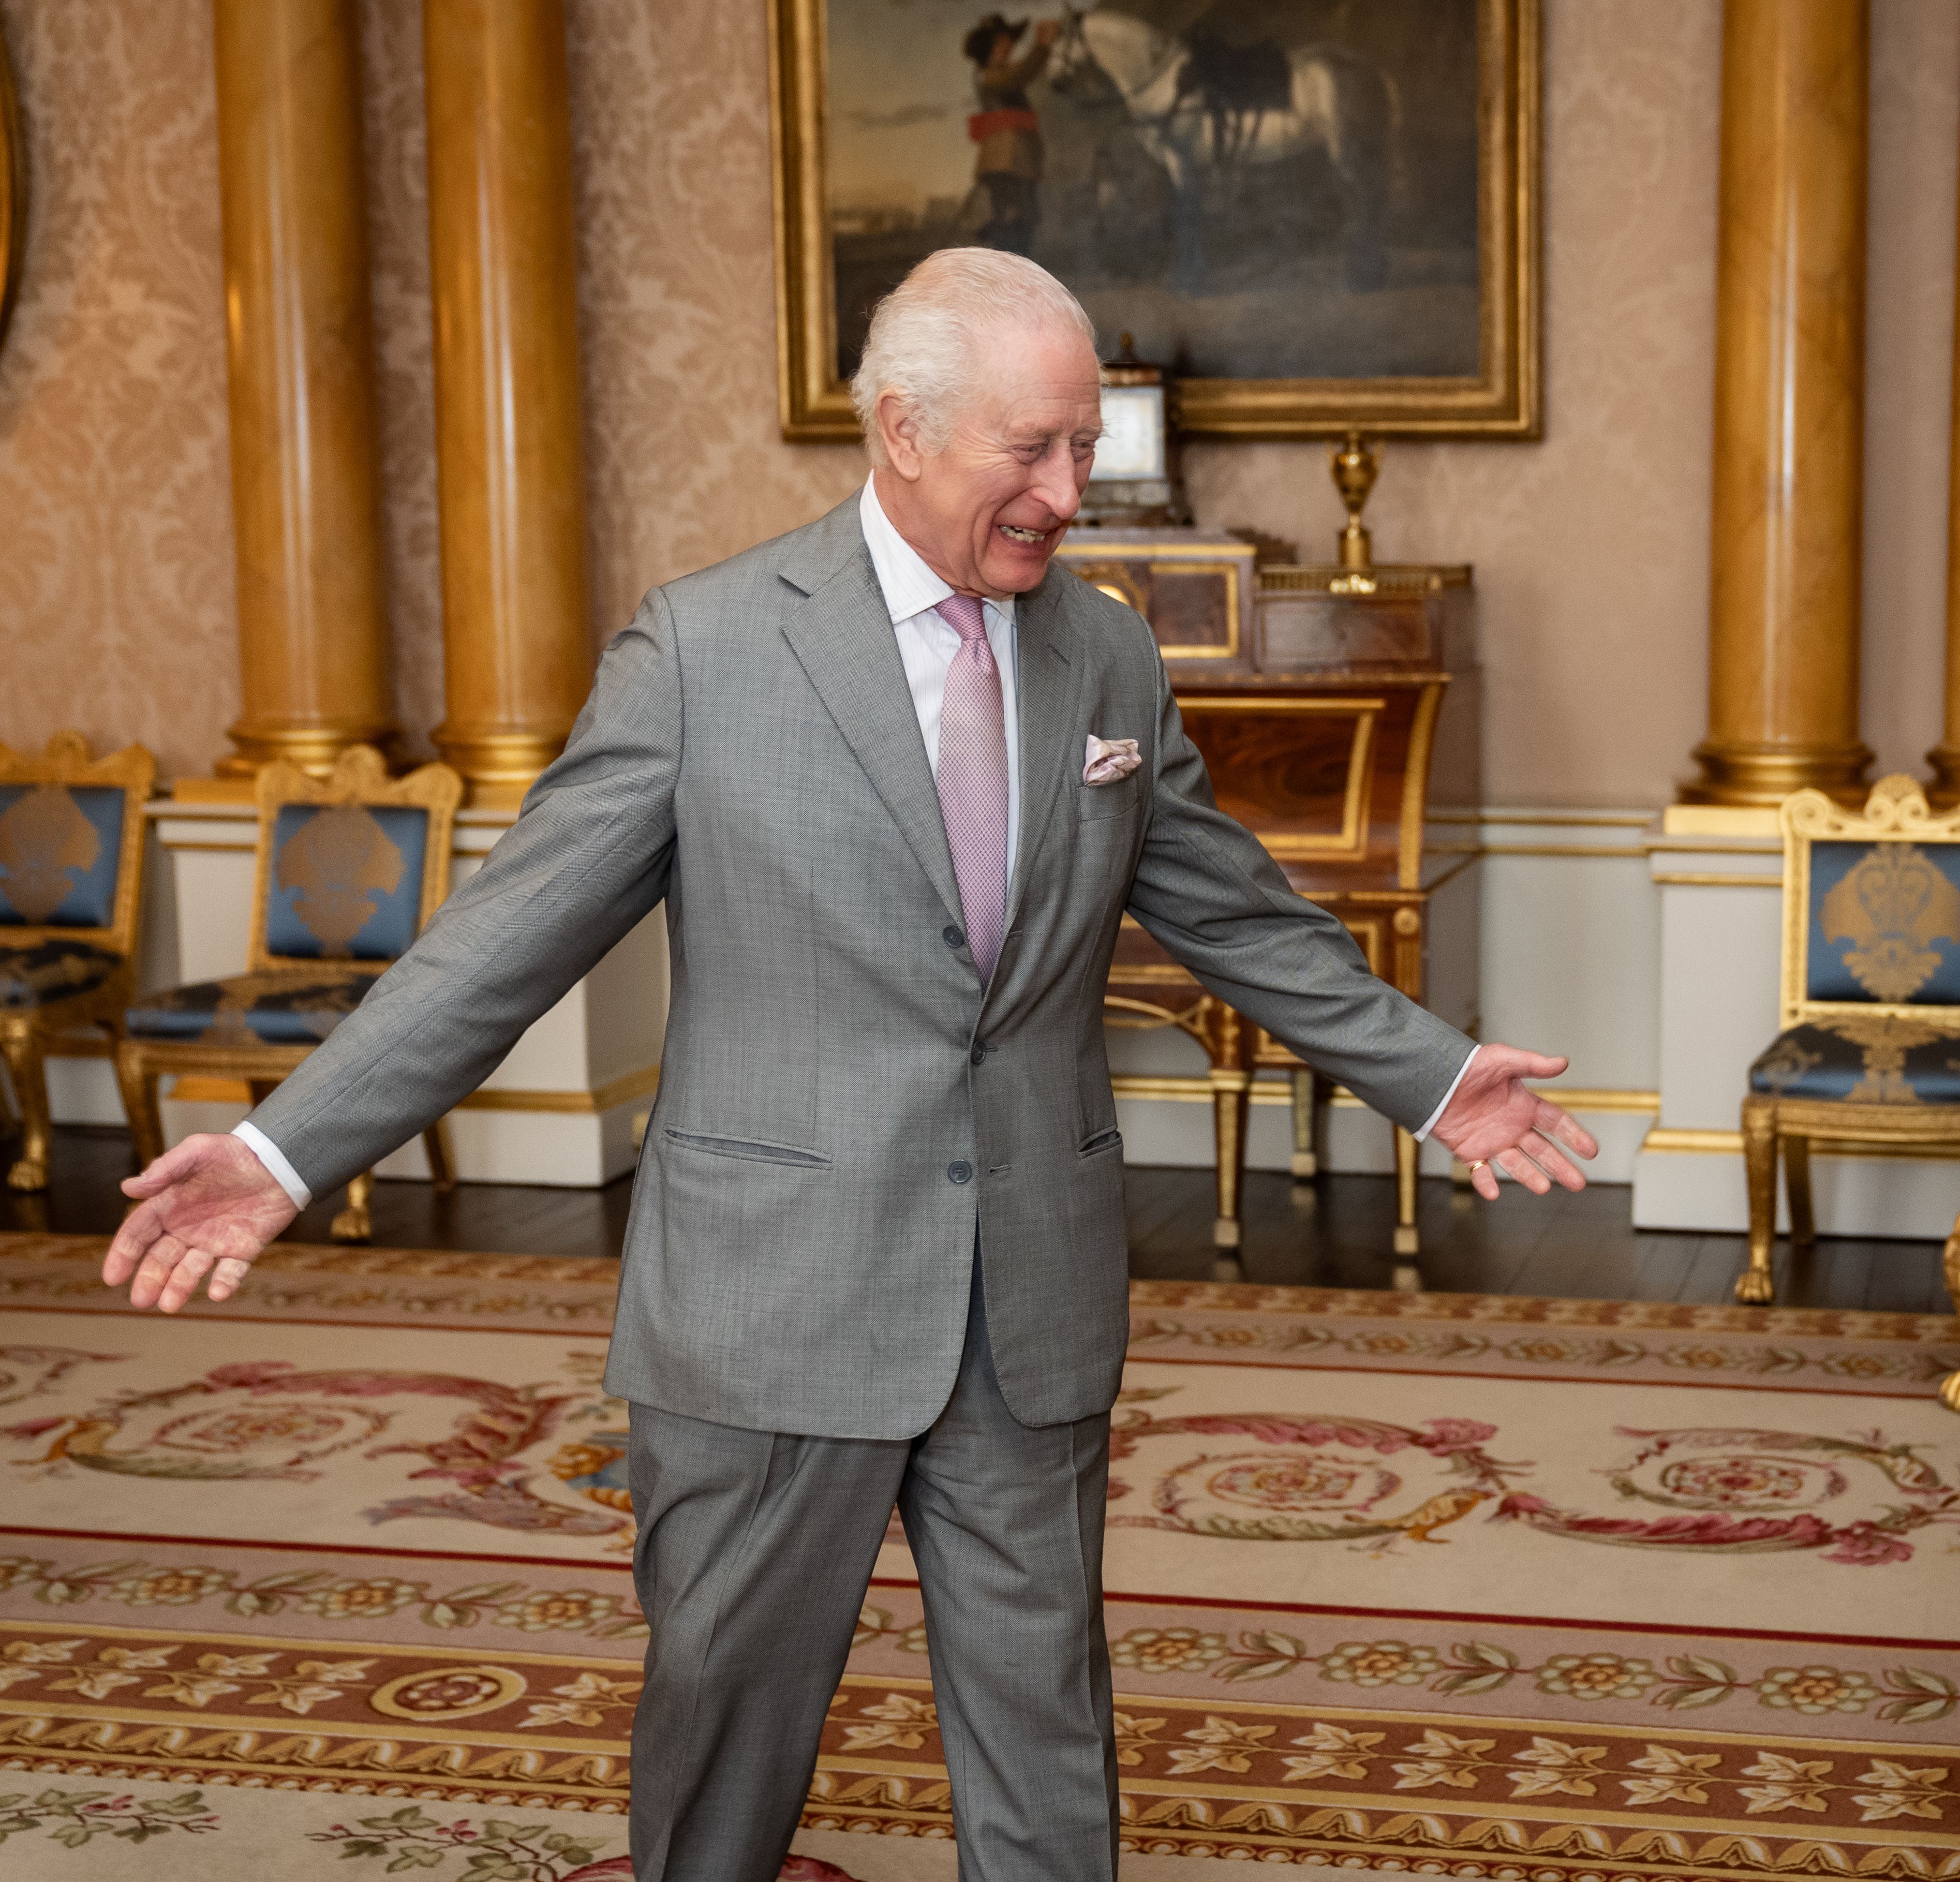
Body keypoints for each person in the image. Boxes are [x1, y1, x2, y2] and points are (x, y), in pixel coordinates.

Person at [99, 247, 1598, 1882]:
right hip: (771, 1302)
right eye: (1029, 450)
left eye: (1083, 447)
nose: (1066, 493)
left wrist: (1435, 1074)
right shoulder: (704, 649)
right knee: (724, 1729)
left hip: (1027, 1289)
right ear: (900, 428)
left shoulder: (1103, 653)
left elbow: (1232, 908)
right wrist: (284, 1151)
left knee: (1047, 1728)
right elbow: (503, 941)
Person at [964, 13, 1059, 255]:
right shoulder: (992, 75)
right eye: (1001, 42)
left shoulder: (1001, 73)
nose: (1009, 46)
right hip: (1004, 164)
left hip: (1018, 162)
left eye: (1008, 41)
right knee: (1011, 220)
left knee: (1025, 219)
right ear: (990, 48)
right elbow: (1021, 74)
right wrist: (1042, 46)